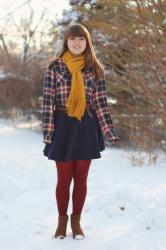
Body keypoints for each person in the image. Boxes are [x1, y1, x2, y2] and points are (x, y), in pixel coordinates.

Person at [42, 22, 119, 240]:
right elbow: (48, 101)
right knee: (64, 179)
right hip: (62, 126)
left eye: (81, 39)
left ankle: (76, 222)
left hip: (86, 126)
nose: (77, 43)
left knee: (81, 179)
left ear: (87, 43)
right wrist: (48, 133)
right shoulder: (55, 67)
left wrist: (108, 131)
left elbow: (100, 103)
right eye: (73, 39)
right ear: (66, 42)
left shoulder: (95, 69)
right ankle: (61, 222)